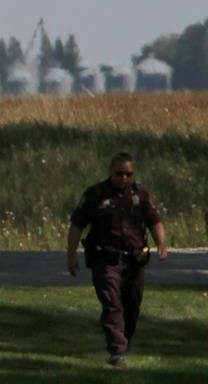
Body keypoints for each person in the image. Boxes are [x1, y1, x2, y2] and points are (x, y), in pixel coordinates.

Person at [66, 152, 168, 368]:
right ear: (110, 172)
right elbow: (77, 225)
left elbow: (155, 221)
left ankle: (125, 340)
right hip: (106, 259)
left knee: (132, 304)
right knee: (112, 303)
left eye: (128, 174)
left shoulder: (140, 195)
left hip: (135, 259)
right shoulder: (96, 195)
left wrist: (161, 244)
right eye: (119, 173)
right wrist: (71, 255)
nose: (124, 178)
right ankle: (116, 350)